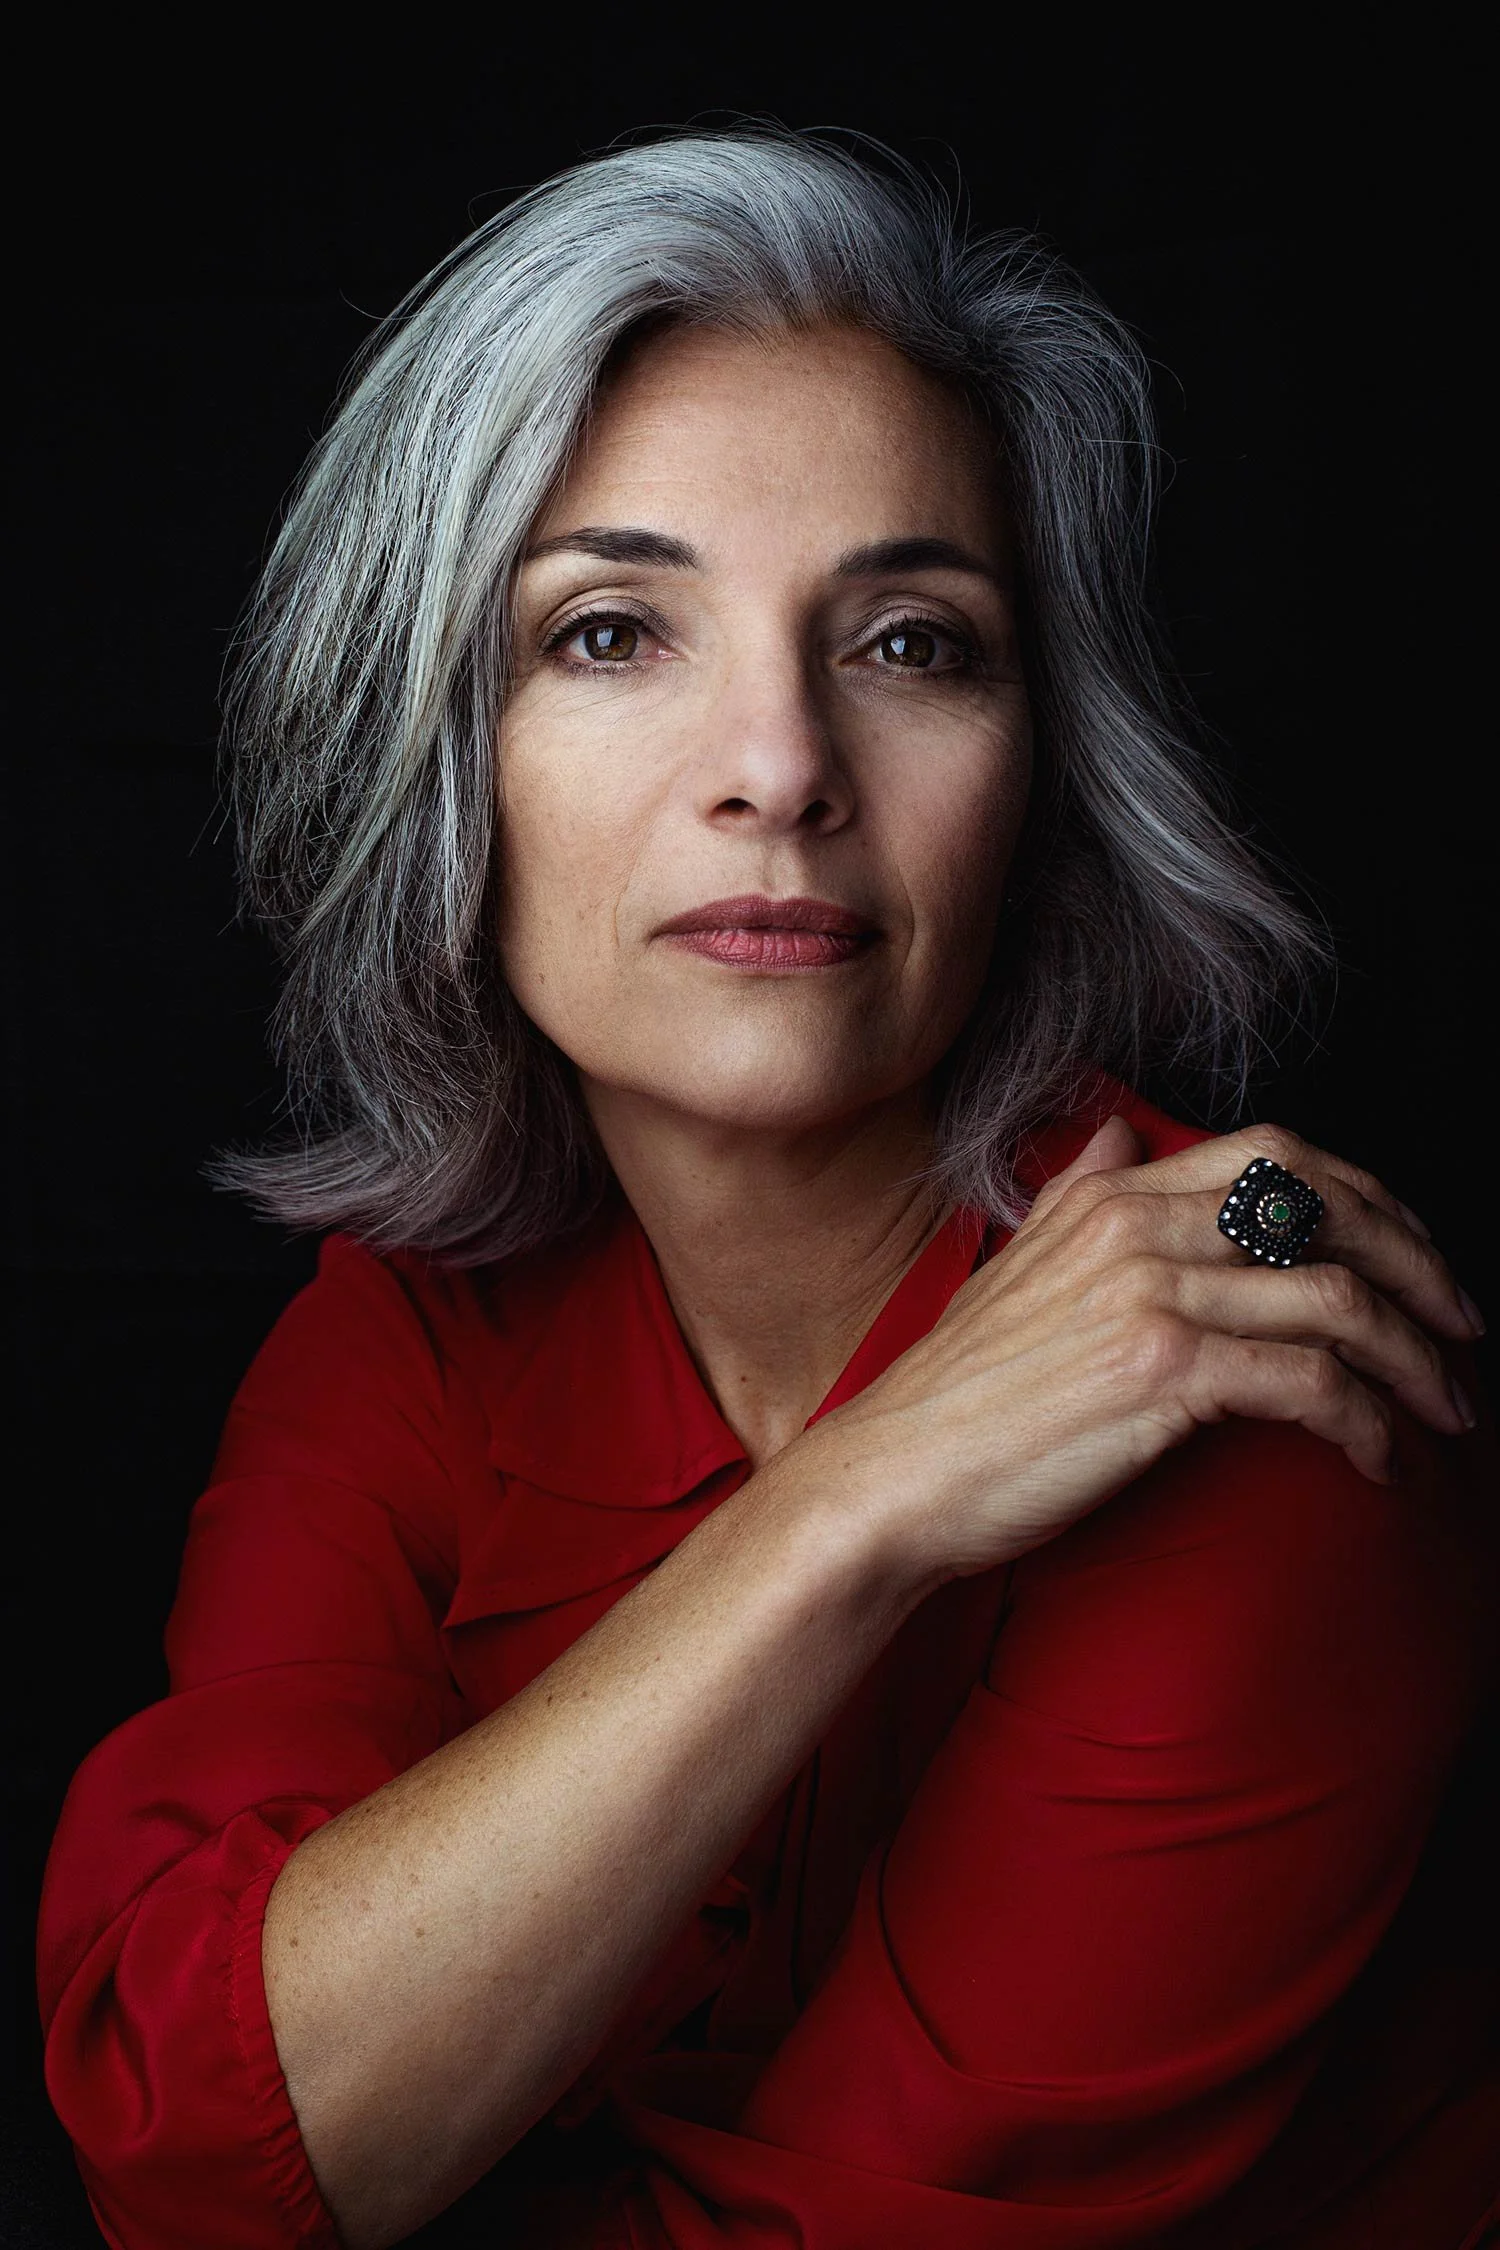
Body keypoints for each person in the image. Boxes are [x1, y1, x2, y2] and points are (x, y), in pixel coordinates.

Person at [35, 127, 1498, 2250]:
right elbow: (191, 2144)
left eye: (913, 643)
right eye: (615, 633)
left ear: (1045, 778)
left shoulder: (1245, 1368)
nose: (784, 765)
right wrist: (852, 1510)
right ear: (435, 754)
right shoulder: (416, 1325)